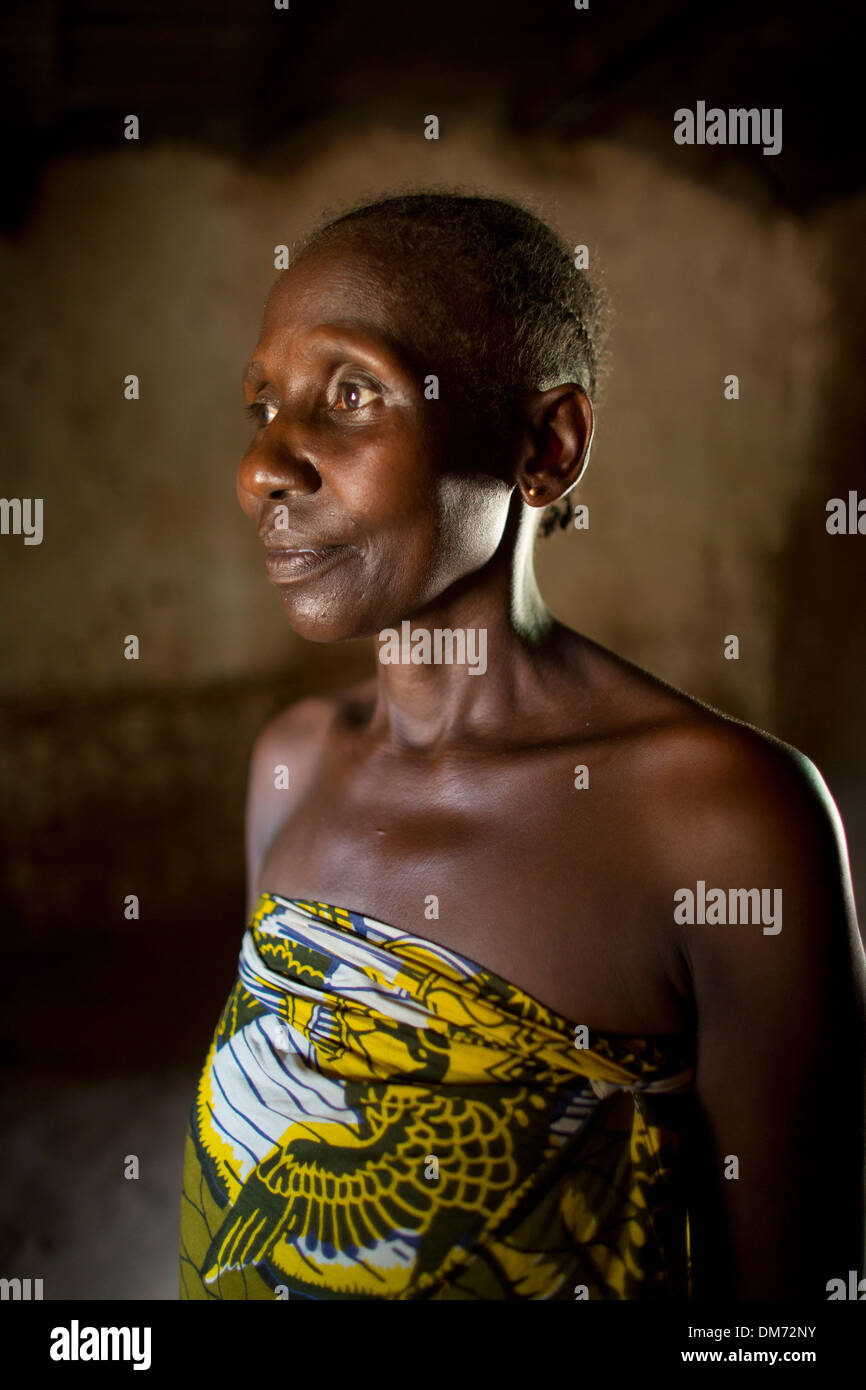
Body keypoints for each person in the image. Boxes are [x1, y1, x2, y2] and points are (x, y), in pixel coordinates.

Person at [179, 190, 866, 1300]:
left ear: (544, 446)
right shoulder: (292, 764)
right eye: (263, 404)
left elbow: (792, 1303)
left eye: (351, 391)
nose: (266, 464)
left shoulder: (722, 824)